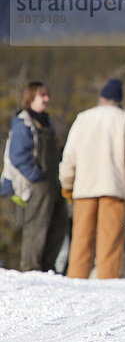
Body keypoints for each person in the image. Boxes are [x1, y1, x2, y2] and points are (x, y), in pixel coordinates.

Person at [59, 79, 125, 279]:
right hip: (114, 190)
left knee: (80, 242)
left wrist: (67, 185)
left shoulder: (83, 118)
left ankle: (75, 282)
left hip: (83, 189)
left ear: (102, 98)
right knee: (110, 244)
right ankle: (107, 286)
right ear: (119, 101)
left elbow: (69, 156)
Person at [0, 81, 67, 272]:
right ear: (31, 97)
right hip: (37, 184)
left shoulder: (47, 121)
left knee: (58, 226)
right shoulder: (24, 122)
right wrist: (35, 176)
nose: (46, 98)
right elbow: (18, 155)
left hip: (53, 182)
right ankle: (31, 269)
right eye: (42, 95)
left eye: (47, 95)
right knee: (37, 228)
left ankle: (48, 268)